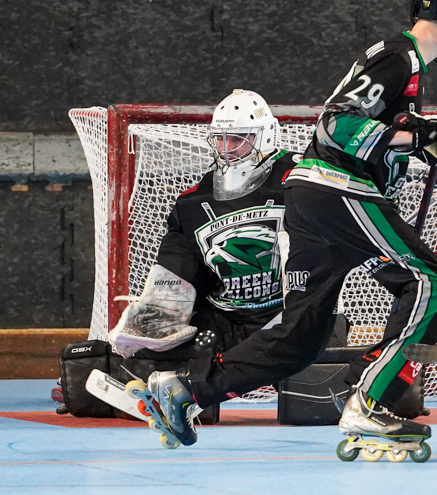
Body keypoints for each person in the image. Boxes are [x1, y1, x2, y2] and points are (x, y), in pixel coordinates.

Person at [134, 0, 437, 459]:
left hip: (316, 200)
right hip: (337, 191)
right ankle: (373, 398)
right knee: (430, 282)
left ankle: (187, 390)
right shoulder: (400, 57)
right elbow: (337, 125)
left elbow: (374, 131)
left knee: (300, 335)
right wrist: (418, 134)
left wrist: (415, 139)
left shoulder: (402, 64)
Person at [108, 89, 302, 408]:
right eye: (221, 139)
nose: (228, 149)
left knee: (321, 341)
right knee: (143, 352)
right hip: (226, 322)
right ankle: (180, 389)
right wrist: (157, 317)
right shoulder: (194, 203)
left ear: (266, 136)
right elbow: (179, 270)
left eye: (238, 138)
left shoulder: (302, 177)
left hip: (289, 317)